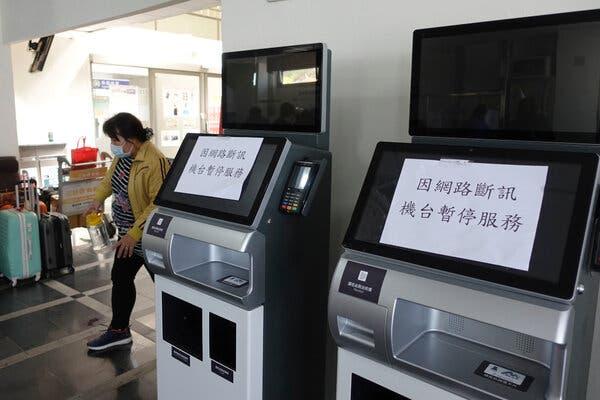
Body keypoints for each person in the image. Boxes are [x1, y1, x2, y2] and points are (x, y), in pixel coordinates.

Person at [86, 112, 169, 352]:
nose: (113, 145)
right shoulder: (123, 157)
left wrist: (135, 234)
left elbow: (158, 204)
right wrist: (97, 200)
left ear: (132, 139)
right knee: (121, 278)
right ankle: (119, 331)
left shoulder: (155, 161)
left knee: (164, 285)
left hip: (148, 237)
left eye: (115, 139)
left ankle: (181, 336)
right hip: (127, 235)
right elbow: (109, 182)